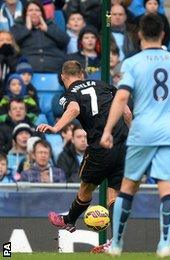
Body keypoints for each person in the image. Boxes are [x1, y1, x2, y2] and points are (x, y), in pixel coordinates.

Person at [99, 14, 170, 257]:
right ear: (163, 35)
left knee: (128, 187)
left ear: (139, 34)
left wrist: (107, 129)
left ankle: (118, 243)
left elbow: (122, 97)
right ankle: (165, 243)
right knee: (167, 188)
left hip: (142, 130)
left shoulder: (132, 63)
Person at [36, 60, 131, 252]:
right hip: (122, 141)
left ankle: (69, 220)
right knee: (114, 193)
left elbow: (74, 109)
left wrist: (56, 127)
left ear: (63, 77)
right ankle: (116, 242)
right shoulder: (105, 85)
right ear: (83, 74)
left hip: (101, 143)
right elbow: (127, 111)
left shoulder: (70, 93)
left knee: (86, 186)